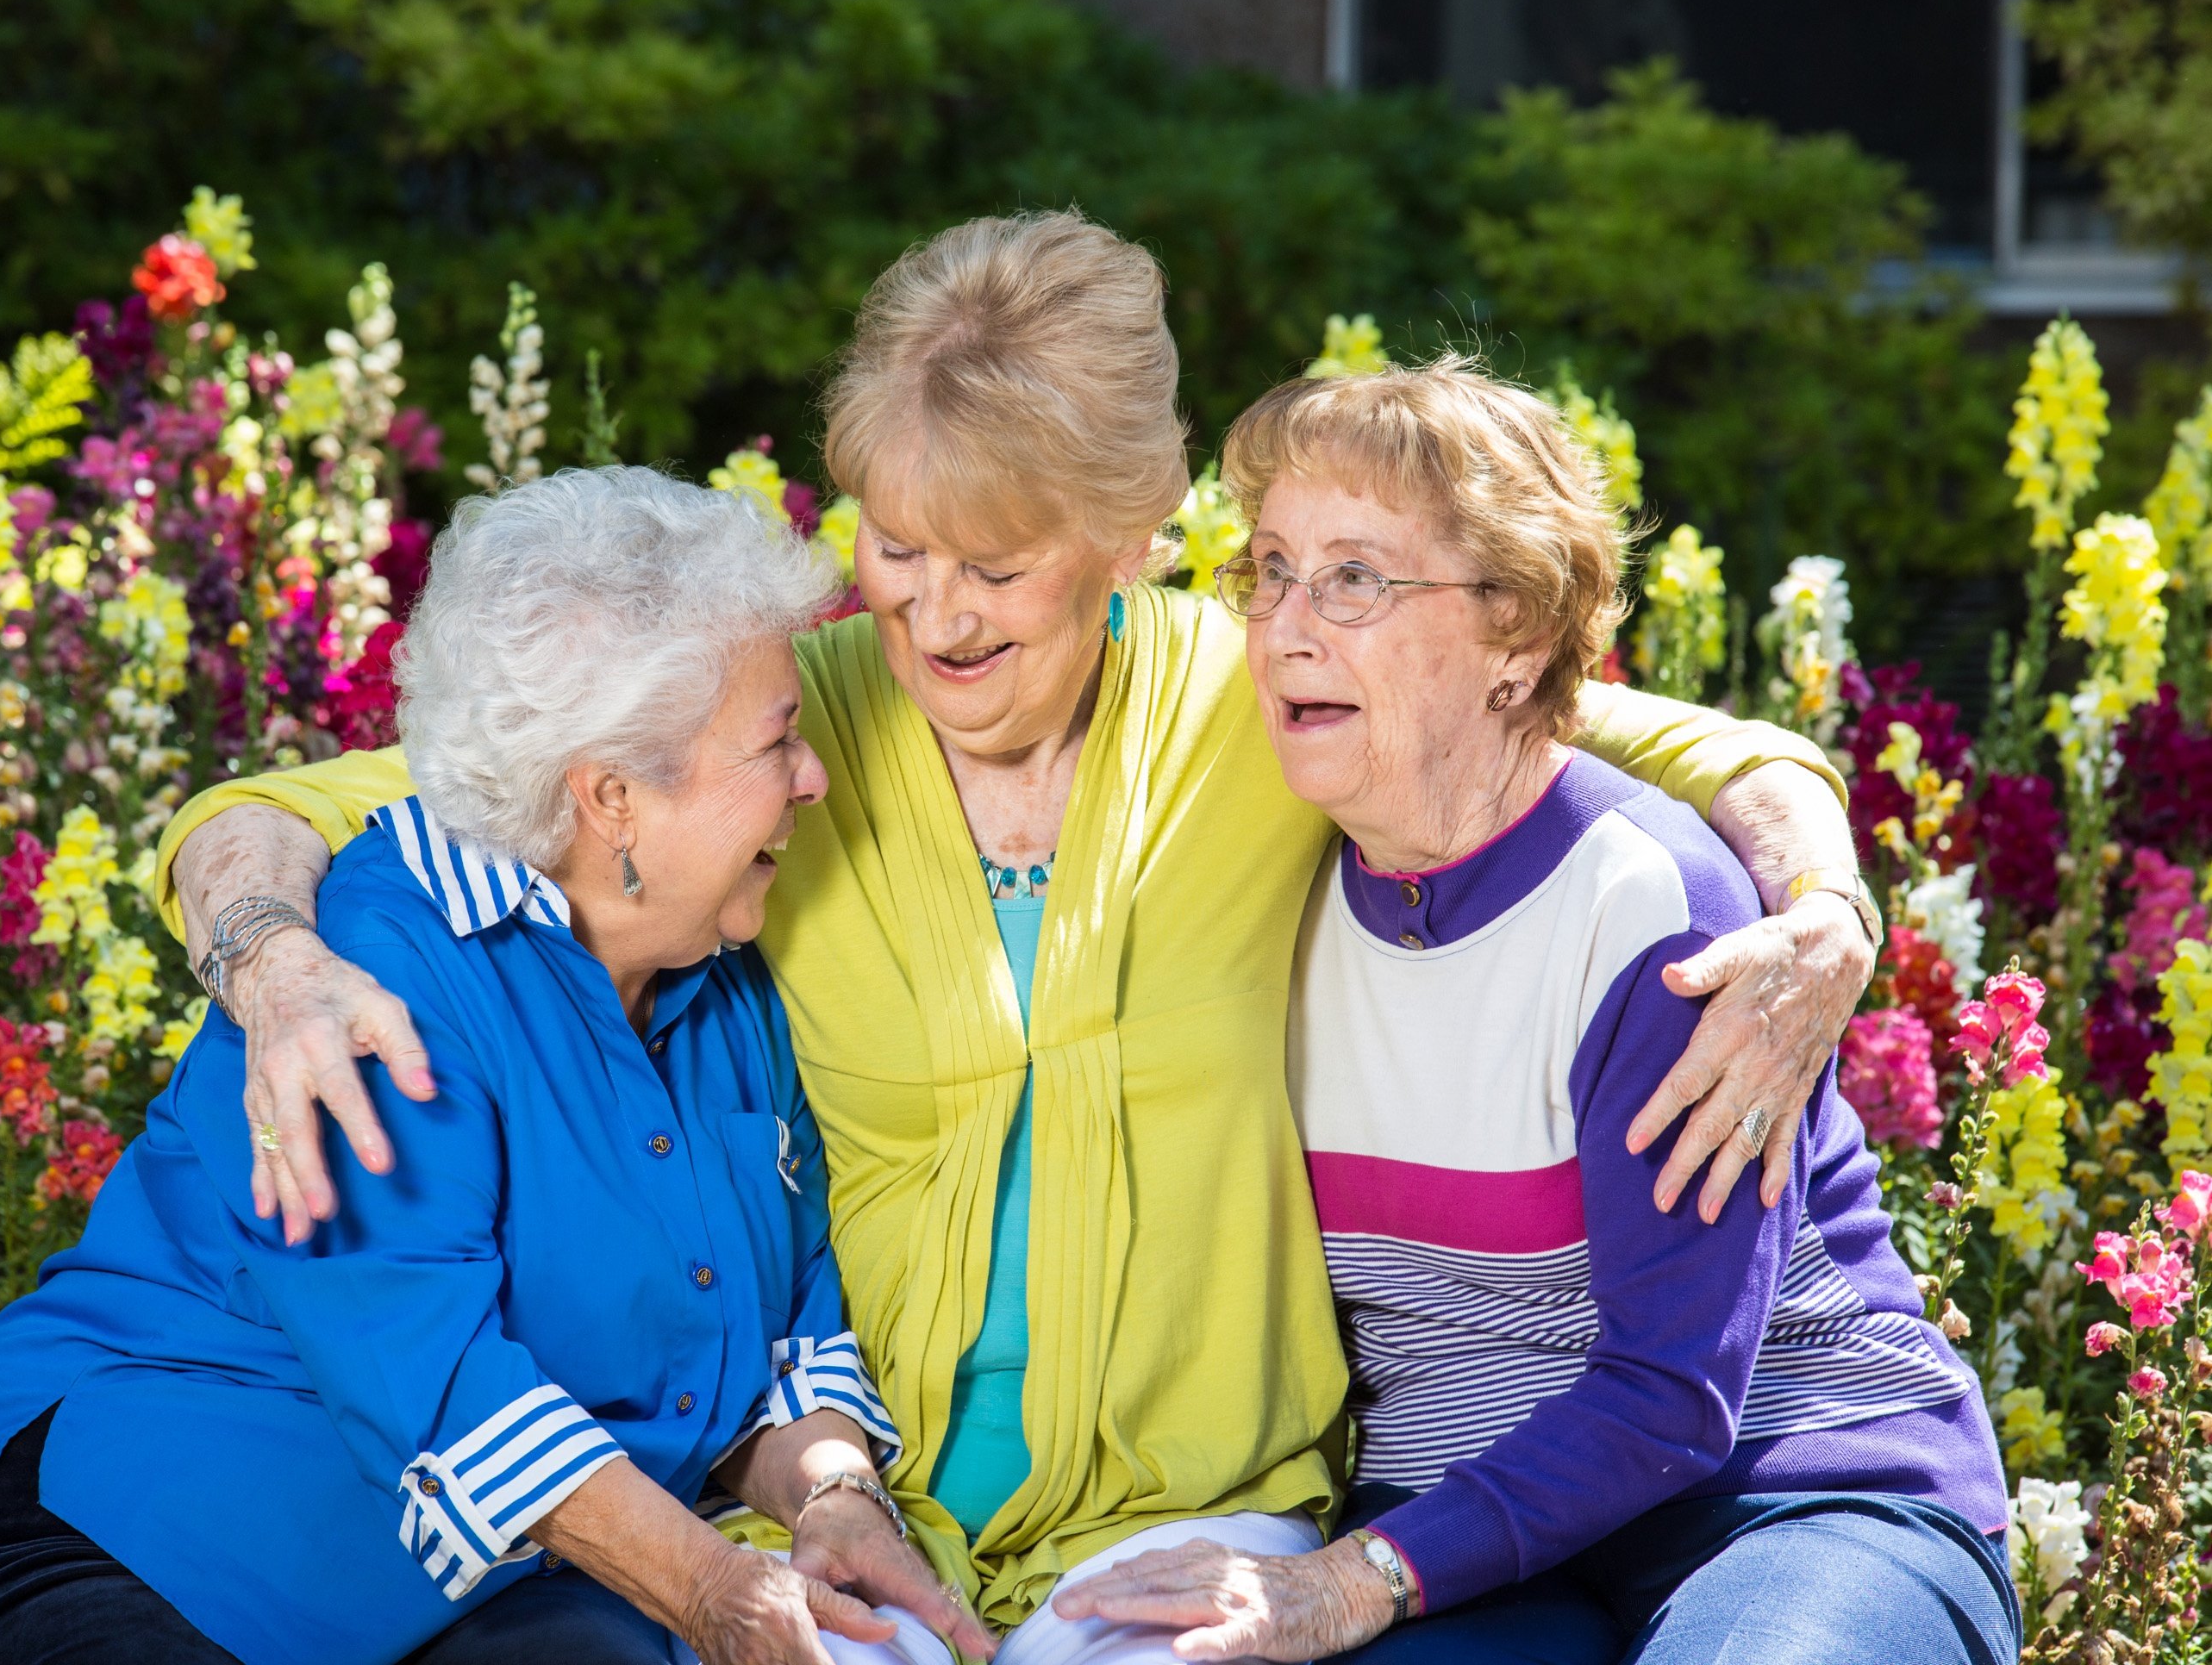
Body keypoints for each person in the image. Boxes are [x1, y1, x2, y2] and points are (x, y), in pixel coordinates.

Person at [151, 213, 1880, 1659]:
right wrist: (270, 954)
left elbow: (1610, 730)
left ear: (1131, 542)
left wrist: (1825, 902)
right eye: (895, 547)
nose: (932, 609)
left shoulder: (1264, 701)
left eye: (996, 560)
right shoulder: (775, 725)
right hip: (846, 1506)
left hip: (1191, 1522)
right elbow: (324, 804)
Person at [0, 470, 994, 1665]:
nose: (815, 775)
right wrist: (717, 1588)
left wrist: (836, 1497)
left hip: (473, 1577)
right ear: (613, 795)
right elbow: (438, 1385)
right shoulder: (384, 971)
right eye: (779, 740)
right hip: (121, 1526)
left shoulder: (720, 976)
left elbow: (779, 1340)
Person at [1050, 363, 2014, 1664]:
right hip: (1459, 1524)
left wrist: (1348, 1582)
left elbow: (1673, 1397)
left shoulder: (1652, 910)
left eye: (1355, 579)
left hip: (1787, 1494)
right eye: (1267, 569)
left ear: (1517, 634)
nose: (1283, 628)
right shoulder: (1266, 879)